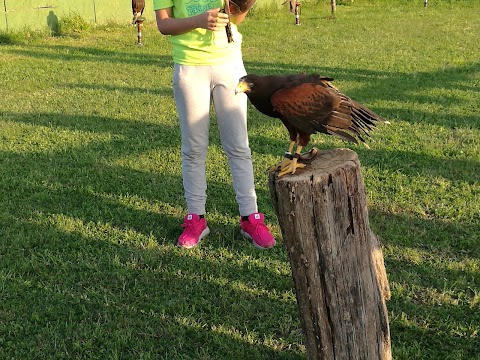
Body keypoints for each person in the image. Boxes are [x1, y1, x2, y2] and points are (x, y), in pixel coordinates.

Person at [154, 0, 276, 249]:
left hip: (228, 66)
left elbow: (234, 19)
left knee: (238, 146)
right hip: (189, 67)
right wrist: (197, 21)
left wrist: (244, 6)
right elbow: (164, 24)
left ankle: (250, 217)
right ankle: (196, 218)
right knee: (194, 148)